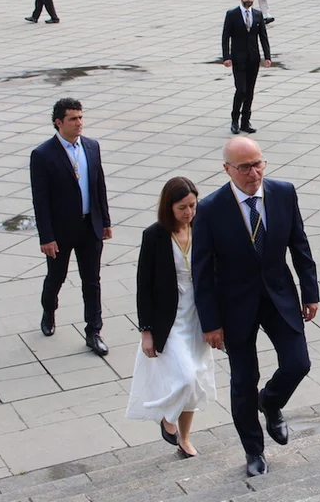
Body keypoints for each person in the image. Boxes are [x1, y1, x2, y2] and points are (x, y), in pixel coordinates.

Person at [191, 136, 320, 478]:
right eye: (245, 167)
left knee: (298, 363)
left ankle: (271, 401)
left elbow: (299, 245)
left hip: (279, 296)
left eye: (258, 164)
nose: (254, 173)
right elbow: (201, 272)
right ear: (227, 169)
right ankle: (254, 450)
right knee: (244, 380)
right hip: (235, 305)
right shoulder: (210, 209)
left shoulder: (284, 193)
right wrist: (210, 322)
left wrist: (310, 292)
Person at [126, 177, 217, 458]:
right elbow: (144, 285)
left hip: (198, 316)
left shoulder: (203, 229)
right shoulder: (154, 236)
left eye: (192, 205)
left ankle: (184, 438)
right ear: (169, 207)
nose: (189, 212)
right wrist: (146, 330)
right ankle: (167, 417)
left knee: (195, 380)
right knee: (186, 377)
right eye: (182, 208)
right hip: (169, 319)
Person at [29, 98, 112, 356]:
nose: (79, 123)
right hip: (61, 231)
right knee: (57, 277)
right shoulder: (43, 155)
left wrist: (105, 221)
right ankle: (49, 310)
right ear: (58, 123)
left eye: (80, 117)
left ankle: (93, 331)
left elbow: (99, 186)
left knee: (92, 281)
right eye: (73, 119)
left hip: (90, 226)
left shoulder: (91, 146)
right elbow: (40, 200)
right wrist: (46, 237)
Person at [223, 0, 272, 134]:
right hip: (238, 59)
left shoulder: (257, 15)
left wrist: (267, 56)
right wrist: (226, 57)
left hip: (253, 59)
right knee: (241, 90)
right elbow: (226, 37)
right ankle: (234, 120)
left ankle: (245, 121)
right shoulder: (232, 15)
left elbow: (263, 37)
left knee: (250, 92)